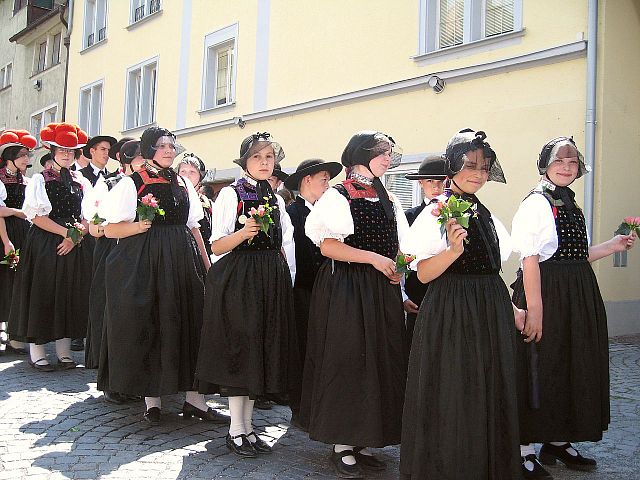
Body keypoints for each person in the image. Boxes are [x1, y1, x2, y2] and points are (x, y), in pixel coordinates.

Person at [510, 137, 636, 479]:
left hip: (575, 294)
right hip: (546, 293)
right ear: (545, 165)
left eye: (572, 162)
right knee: (540, 367)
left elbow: (574, 256)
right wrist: (534, 309)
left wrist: (612, 246)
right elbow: (532, 259)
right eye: (559, 162)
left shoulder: (568, 202)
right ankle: (523, 450)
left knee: (570, 364)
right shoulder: (536, 203)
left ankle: (556, 442)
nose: (566, 167)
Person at [400, 129, 523, 479]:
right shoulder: (437, 211)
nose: (479, 173)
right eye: (471, 165)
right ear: (452, 168)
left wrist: (511, 309)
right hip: (453, 311)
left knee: (487, 389)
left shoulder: (484, 212)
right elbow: (421, 273)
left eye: (484, 167)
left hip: (489, 309)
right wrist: (453, 252)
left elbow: (491, 267)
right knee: (457, 390)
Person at [96, 127, 223, 425]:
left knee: (190, 322)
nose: (168, 150)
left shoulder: (182, 182)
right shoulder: (133, 182)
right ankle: (152, 401)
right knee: (153, 323)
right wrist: (138, 227)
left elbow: (194, 227)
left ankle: (195, 400)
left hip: (182, 259)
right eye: (160, 145)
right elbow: (110, 228)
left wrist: (207, 266)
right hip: (146, 261)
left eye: (171, 145)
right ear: (149, 149)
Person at [300, 131, 409, 479]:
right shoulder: (339, 195)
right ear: (361, 155)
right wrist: (375, 260)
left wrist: (398, 270)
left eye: (389, 153)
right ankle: (341, 444)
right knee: (348, 361)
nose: (387, 159)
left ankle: (362, 441)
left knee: (378, 362)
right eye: (381, 153)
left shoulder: (389, 197)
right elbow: (329, 247)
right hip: (346, 288)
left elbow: (400, 245)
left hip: (381, 290)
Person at [195, 132, 299, 457]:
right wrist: (243, 233)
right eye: (258, 157)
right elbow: (216, 245)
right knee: (243, 351)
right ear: (246, 162)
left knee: (261, 352)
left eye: (269, 157)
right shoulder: (230, 194)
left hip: (269, 278)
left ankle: (249, 426)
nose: (265, 163)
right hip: (241, 279)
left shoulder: (277, 198)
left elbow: (282, 245)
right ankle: (235, 429)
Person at [8, 122, 93, 371]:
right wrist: (65, 233)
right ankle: (37, 351)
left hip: (74, 242)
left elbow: (90, 214)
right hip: (46, 241)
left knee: (69, 294)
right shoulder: (39, 179)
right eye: (62, 151)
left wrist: (75, 236)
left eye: (70, 151)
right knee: (44, 293)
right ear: (53, 152)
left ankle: (64, 353)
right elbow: (36, 216)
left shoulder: (80, 181)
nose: (67, 155)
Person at [82, 140, 145, 404]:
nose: (144, 161)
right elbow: (94, 224)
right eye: (140, 157)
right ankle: (112, 377)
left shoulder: (152, 184)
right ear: (125, 159)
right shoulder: (109, 183)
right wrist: (104, 228)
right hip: (112, 250)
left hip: (143, 252)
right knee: (111, 310)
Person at [282, 158, 342, 425]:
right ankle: (300, 408)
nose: (328, 185)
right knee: (303, 348)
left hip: (324, 290)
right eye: (323, 180)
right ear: (307, 180)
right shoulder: (293, 213)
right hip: (302, 291)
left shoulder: (325, 211)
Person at [402, 155, 447, 346]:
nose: (436, 186)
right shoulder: (409, 217)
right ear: (421, 183)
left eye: (440, 181)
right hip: (418, 296)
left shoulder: (460, 213)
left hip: (449, 293)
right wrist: (402, 296)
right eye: (430, 181)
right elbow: (402, 258)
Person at [0, 130, 37, 355]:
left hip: (25, 232)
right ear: (10, 157)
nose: (26, 159)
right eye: (22, 155)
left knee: (19, 281)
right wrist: (17, 212)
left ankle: (16, 334)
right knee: (2, 280)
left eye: (27, 155)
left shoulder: (30, 181)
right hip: (5, 230)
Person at [175, 153, 215, 258]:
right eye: (183, 172)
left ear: (200, 176)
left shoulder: (209, 204)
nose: (187, 176)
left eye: (192, 172)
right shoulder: (174, 200)